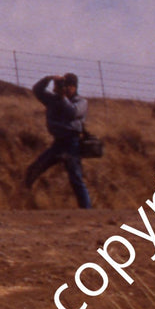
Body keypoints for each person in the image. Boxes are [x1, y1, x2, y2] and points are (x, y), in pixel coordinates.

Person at [22, 72, 92, 209]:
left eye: (67, 86)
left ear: (74, 87)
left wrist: (62, 97)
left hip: (72, 143)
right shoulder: (53, 99)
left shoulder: (81, 102)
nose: (64, 88)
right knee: (35, 169)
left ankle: (87, 211)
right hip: (58, 143)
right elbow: (37, 90)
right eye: (62, 85)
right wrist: (48, 79)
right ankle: (23, 201)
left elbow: (72, 112)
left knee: (76, 179)